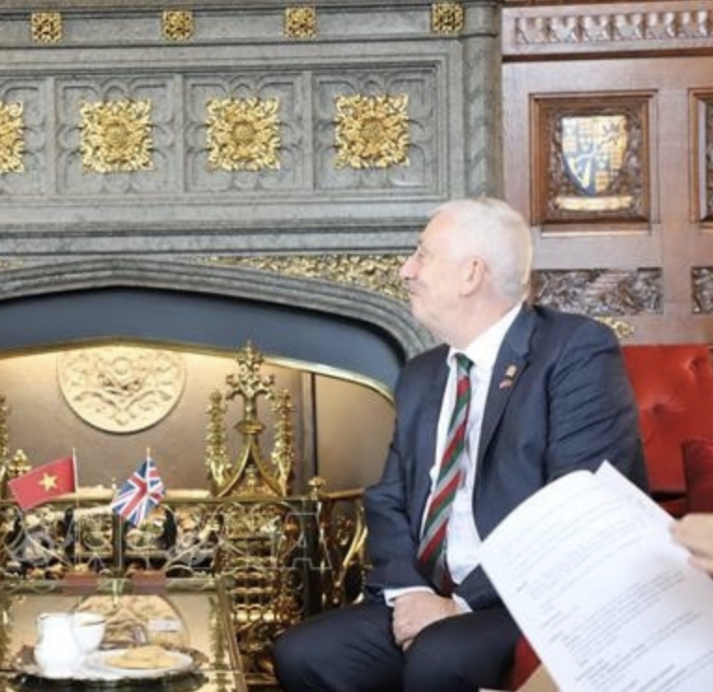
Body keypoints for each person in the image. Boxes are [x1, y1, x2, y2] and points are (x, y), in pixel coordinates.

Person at [271, 197, 647, 692]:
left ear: (471, 273)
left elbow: (577, 511)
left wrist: (458, 606)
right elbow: (388, 498)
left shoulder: (573, 351)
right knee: (305, 655)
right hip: (428, 590)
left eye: (422, 254)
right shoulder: (422, 374)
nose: (406, 270)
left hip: (528, 602)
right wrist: (409, 592)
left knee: (439, 657)